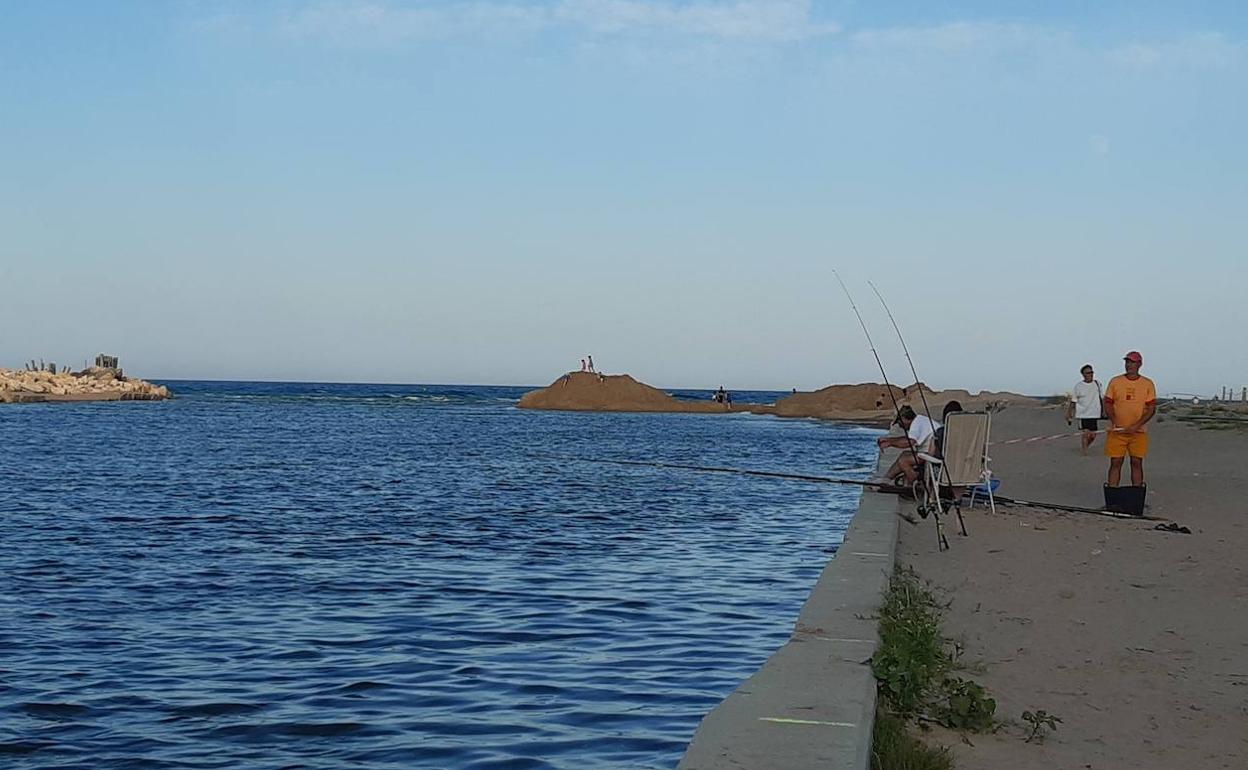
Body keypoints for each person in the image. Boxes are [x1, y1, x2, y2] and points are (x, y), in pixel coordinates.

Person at [1103, 351, 1157, 487]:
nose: (1129, 365)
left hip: (1138, 432)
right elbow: (1108, 403)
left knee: (1136, 462)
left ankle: (1136, 495)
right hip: (1117, 431)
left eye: (1132, 362)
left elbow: (1151, 408)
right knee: (1116, 462)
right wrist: (1114, 421)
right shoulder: (1115, 381)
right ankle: (1113, 495)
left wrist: (1137, 425)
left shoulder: (1147, 383)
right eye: (1127, 362)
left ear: (1139, 364)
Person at [875, 405, 940, 485]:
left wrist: (890, 443)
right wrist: (889, 440)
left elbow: (909, 442)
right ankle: (886, 479)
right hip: (933, 452)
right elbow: (908, 438)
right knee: (904, 454)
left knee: (903, 461)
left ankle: (912, 480)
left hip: (931, 455)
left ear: (903, 419)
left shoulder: (916, 424)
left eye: (899, 422)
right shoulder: (919, 420)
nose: (899, 426)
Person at [1065, 364, 1104, 455]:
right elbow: (1073, 401)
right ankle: (1084, 451)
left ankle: (1086, 446)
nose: (1090, 374)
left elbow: (1101, 398)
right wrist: (1069, 413)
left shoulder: (1097, 384)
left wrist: (1104, 410)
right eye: (1088, 373)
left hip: (1095, 414)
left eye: (1092, 372)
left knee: (1093, 435)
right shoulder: (1078, 386)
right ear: (1083, 374)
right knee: (1086, 433)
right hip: (1083, 414)